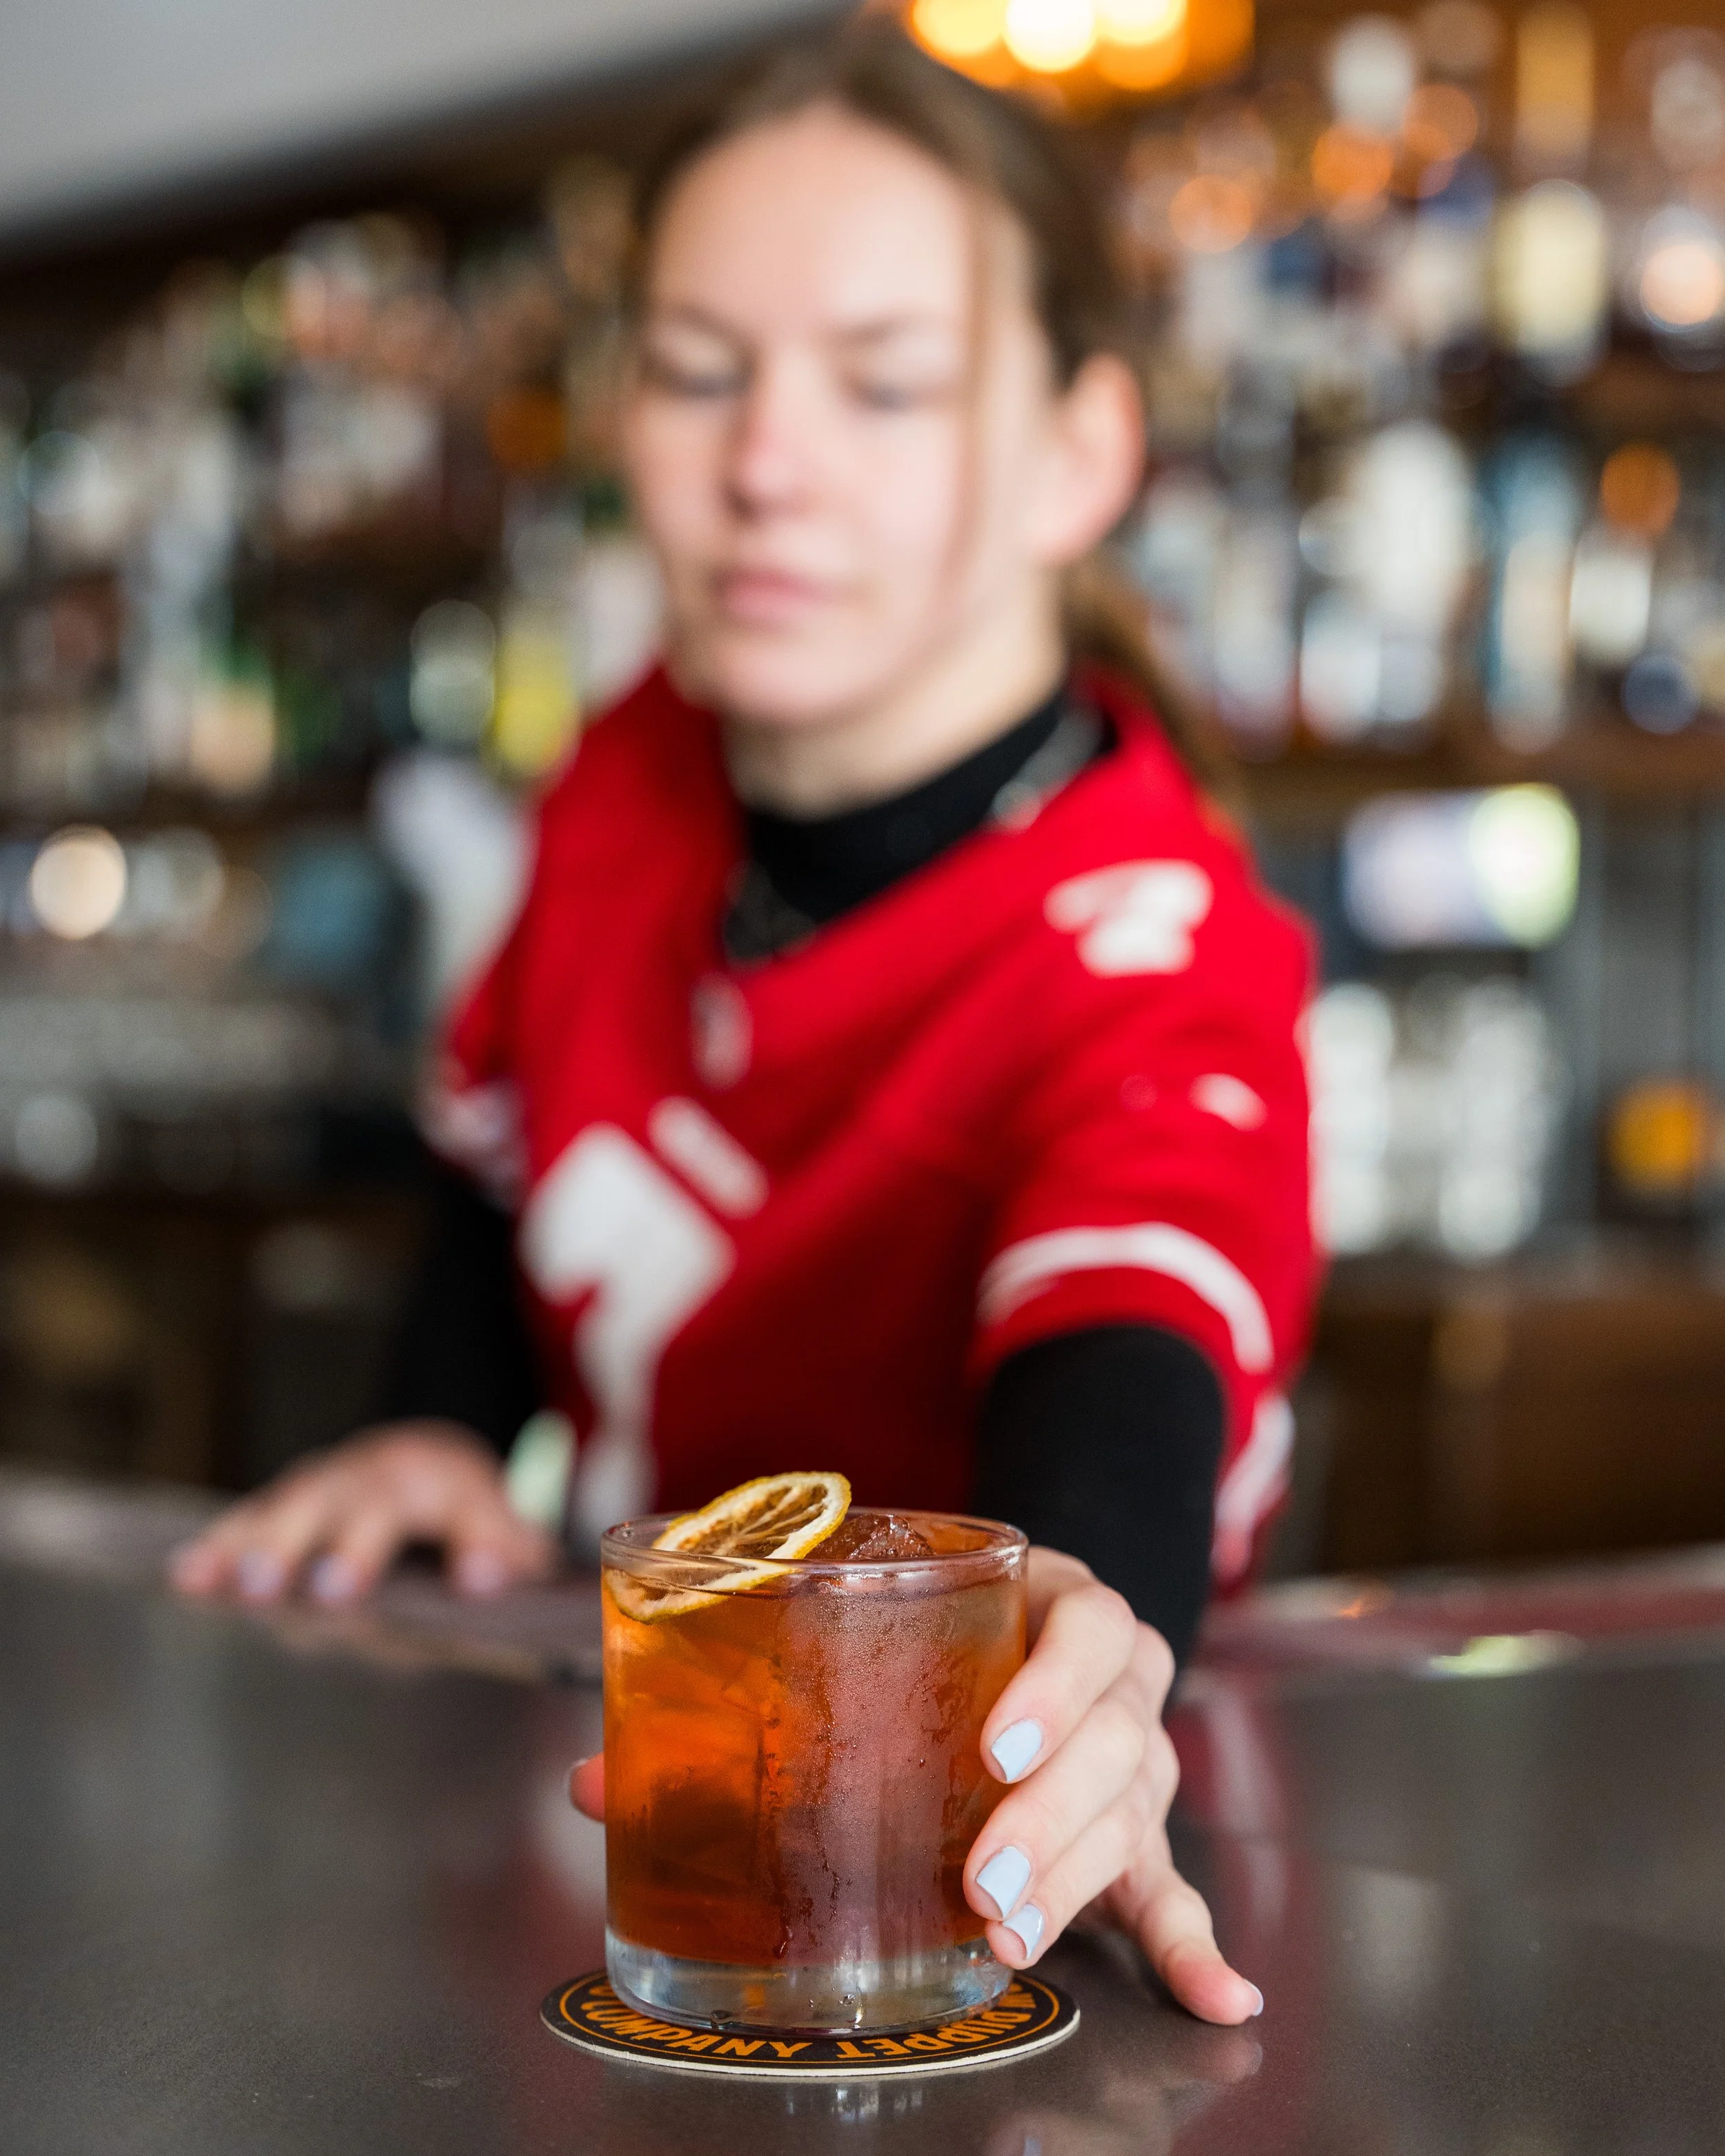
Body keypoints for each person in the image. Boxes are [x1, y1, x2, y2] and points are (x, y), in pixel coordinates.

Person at [171, 25, 1314, 2027]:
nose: (762, 462)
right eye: (698, 371)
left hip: (946, 1911)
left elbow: (1129, 1318)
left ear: (1079, 453)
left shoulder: (1152, 935)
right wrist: (434, 1426)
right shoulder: (633, 767)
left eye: (882, 384)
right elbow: (510, 1165)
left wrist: (1079, 1630)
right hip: (615, 1859)